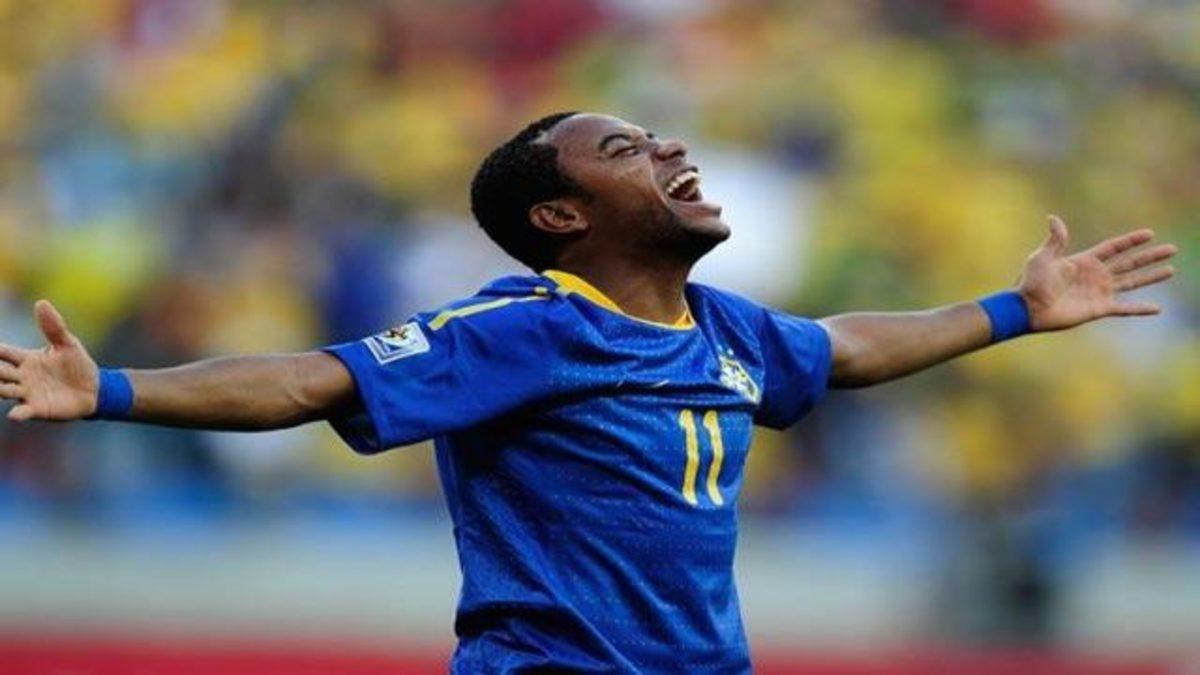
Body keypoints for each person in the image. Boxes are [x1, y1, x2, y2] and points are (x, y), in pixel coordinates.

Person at [0, 112, 1177, 673]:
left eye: (657, 140)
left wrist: (1016, 309)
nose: (669, 152)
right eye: (627, 152)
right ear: (562, 216)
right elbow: (312, 380)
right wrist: (110, 389)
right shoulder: (527, 329)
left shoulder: (726, 327)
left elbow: (845, 349)